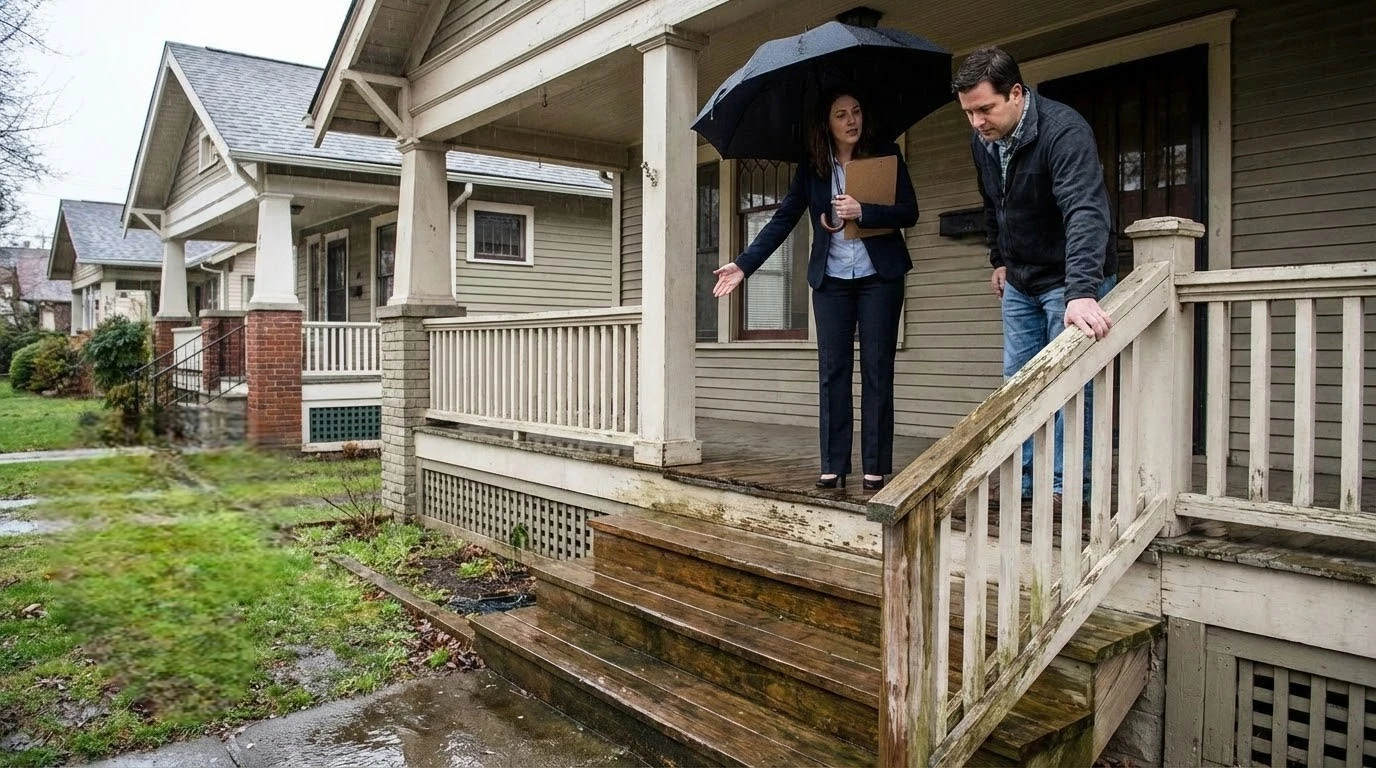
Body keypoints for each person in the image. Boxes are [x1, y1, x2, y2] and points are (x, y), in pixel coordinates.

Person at [712, 89, 918, 492]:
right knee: (833, 372)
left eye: (856, 111)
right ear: (827, 123)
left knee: (878, 371)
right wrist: (744, 264)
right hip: (832, 282)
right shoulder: (814, 167)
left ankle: (874, 466)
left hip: (880, 277)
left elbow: (909, 211)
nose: (851, 121)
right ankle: (834, 464)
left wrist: (864, 211)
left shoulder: (886, 154)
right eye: (841, 115)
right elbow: (783, 217)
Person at [953, 47, 1117, 504]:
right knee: (1018, 385)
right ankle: (1023, 483)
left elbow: (1085, 211)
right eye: (969, 113)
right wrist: (999, 260)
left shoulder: (1064, 131)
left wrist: (1082, 292)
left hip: (1070, 279)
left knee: (1069, 387)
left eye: (985, 109)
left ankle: (1069, 488)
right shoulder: (982, 141)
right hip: (1021, 280)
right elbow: (995, 205)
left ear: (1017, 93)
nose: (977, 122)